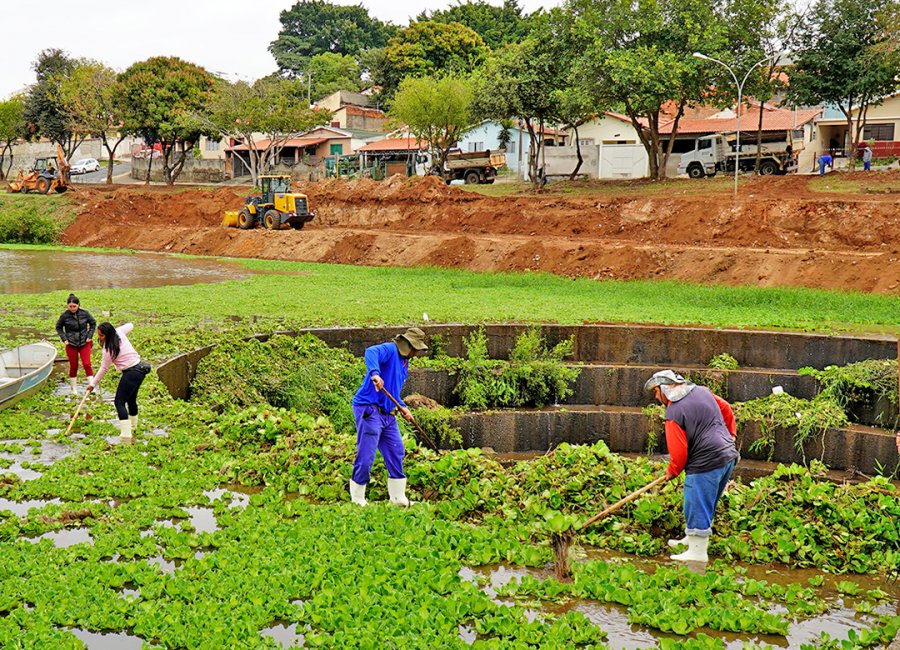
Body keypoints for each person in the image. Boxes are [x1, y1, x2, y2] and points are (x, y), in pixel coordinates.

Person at [645, 370, 739, 563]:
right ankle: (693, 538)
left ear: (664, 389)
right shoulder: (702, 391)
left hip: (706, 462)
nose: (656, 397)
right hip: (727, 456)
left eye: (656, 392)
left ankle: (697, 553)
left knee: (696, 501)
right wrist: (731, 434)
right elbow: (726, 407)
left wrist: (672, 471)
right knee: (707, 501)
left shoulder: (674, 412)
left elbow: (679, 452)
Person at [349, 327, 428, 507]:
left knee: (396, 450)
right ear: (408, 345)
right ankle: (358, 498)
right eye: (416, 348)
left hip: (388, 413)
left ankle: (398, 498)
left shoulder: (405, 363)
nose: (417, 353)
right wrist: (375, 374)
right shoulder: (390, 350)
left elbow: (393, 391)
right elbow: (370, 352)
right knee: (367, 453)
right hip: (369, 409)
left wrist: (403, 407)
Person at [87, 322, 148, 439]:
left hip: (131, 372)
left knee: (119, 402)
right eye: (98, 335)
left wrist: (93, 384)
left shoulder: (108, 350)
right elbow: (131, 325)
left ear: (108, 334)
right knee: (131, 400)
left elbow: (104, 369)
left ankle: (126, 435)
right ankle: (133, 427)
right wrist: (117, 329)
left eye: (101, 335)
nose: (99, 338)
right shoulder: (119, 333)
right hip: (140, 369)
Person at [55, 294, 96, 396]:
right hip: (71, 343)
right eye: (70, 306)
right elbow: (59, 327)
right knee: (74, 366)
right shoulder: (64, 316)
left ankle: (92, 386)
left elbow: (93, 323)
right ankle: (74, 389)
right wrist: (64, 339)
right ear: (67, 306)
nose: (72, 308)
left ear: (78, 305)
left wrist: (90, 335)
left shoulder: (85, 314)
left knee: (87, 364)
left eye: (74, 306)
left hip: (84, 342)